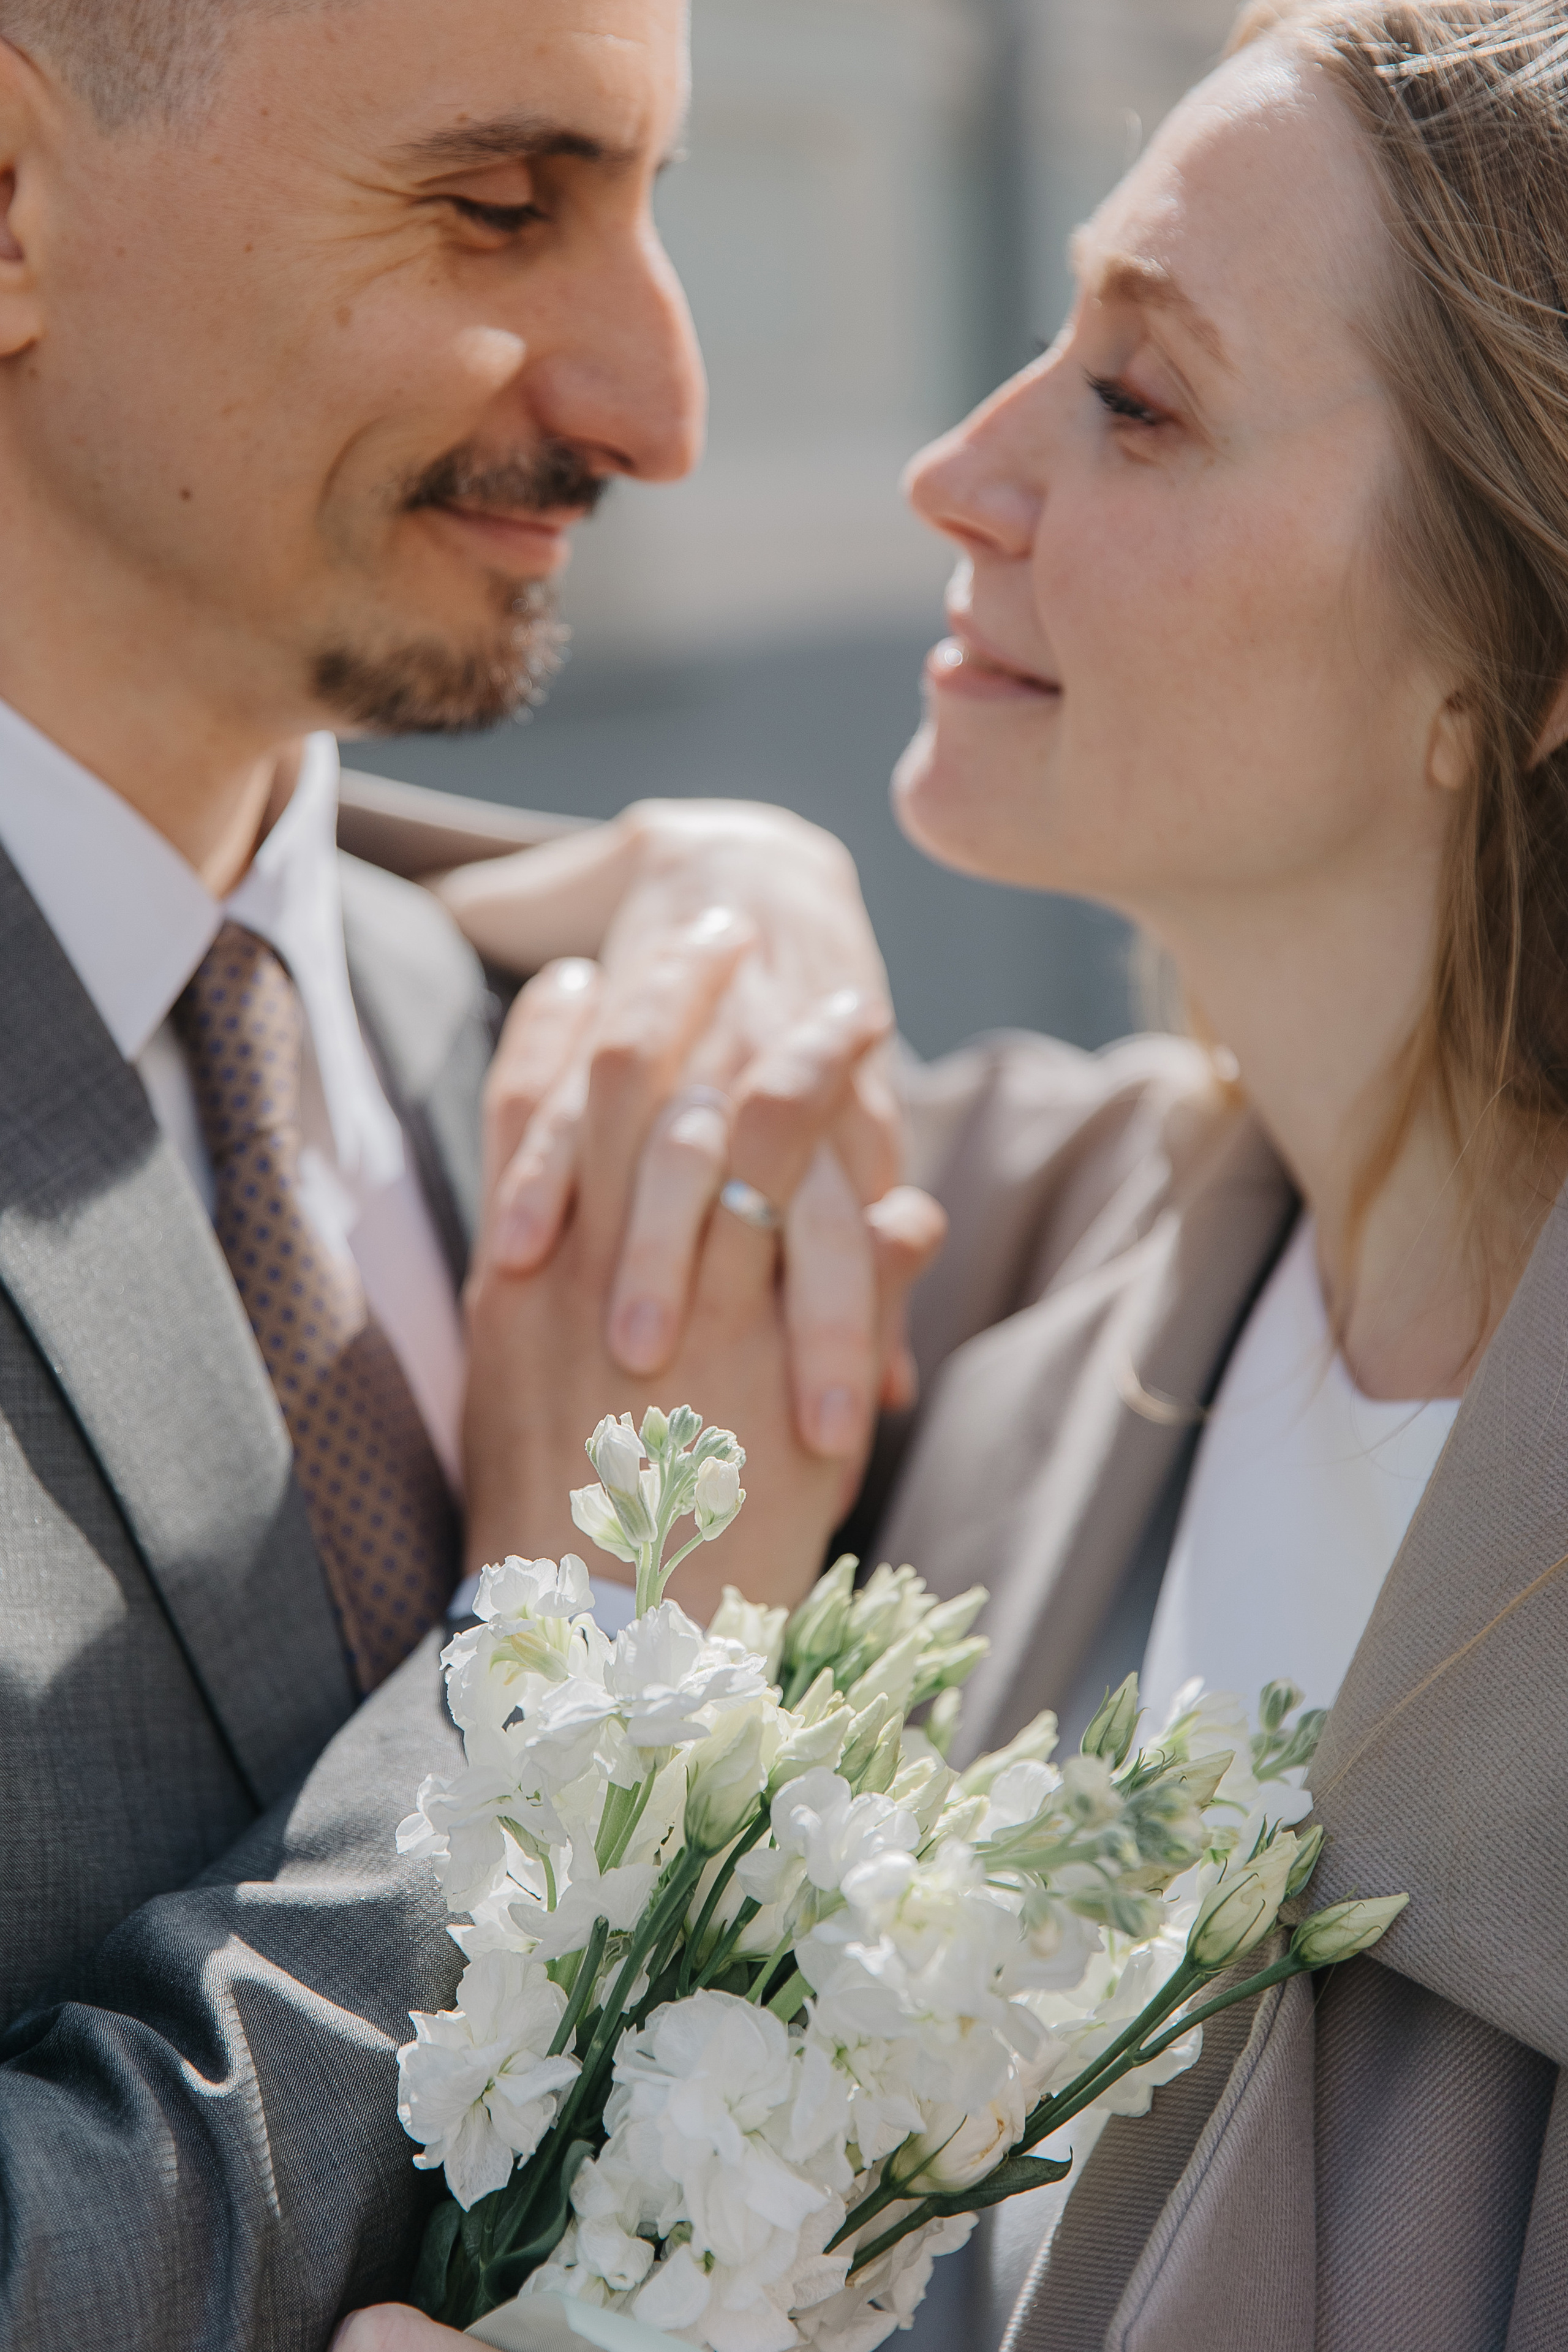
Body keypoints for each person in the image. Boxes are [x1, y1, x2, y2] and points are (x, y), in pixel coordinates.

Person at [366, 4, 1568, 2347]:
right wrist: (722, 874)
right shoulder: (1023, 1252)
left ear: (1520, 656)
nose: (957, 471)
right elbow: (206, 929)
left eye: (1139, 399)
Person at [0, 0, 943, 2343]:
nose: (663, 412)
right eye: (499, 209)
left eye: (655, 207)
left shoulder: (593, 1055)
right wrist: (571, 1682)